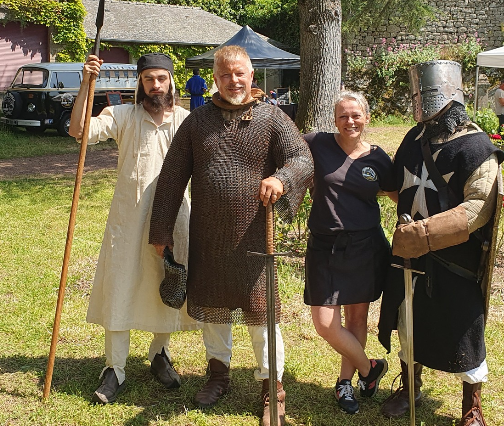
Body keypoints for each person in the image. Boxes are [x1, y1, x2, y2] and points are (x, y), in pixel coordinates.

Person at [149, 45, 313, 426]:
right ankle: (218, 374)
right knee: (215, 313)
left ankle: (272, 388)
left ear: (252, 76)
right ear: (215, 79)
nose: (234, 80)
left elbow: (302, 158)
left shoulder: (271, 118)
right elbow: (172, 178)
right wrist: (161, 231)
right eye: (225, 74)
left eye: (240, 73)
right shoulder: (197, 122)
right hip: (210, 238)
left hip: (256, 240)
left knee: (263, 316)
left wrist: (282, 178)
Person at [377, 60, 504, 426]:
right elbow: (397, 187)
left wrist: (425, 234)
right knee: (407, 322)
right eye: (416, 95)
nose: (421, 103)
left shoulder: (476, 146)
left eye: (426, 94)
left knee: (465, 328)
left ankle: (472, 406)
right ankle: (410, 386)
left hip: (454, 260)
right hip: (409, 258)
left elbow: (479, 206)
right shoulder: (413, 139)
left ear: (449, 95)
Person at [68, 52, 197, 405]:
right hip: (128, 218)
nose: (156, 86)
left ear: (172, 81)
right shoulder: (123, 115)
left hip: (175, 218)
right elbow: (79, 131)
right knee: (121, 284)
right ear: (139, 83)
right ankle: (115, 368)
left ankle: (159, 353)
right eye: (148, 80)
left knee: (169, 281)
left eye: (161, 79)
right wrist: (87, 84)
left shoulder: (188, 121)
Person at [303, 91, 397, 415]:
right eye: (343, 115)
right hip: (324, 246)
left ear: (366, 118)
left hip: (364, 247)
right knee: (325, 323)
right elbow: (285, 150)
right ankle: (369, 370)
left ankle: (346, 381)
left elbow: (398, 193)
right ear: (334, 119)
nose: (350, 121)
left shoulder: (378, 158)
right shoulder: (317, 143)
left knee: (357, 318)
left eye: (356, 115)